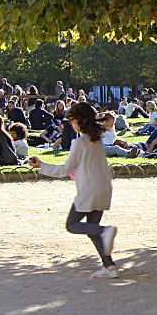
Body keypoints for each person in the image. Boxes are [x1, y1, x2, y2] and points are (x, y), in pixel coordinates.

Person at [29, 101, 119, 279]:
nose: (70, 123)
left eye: (72, 120)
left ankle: (105, 231)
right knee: (91, 229)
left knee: (72, 225)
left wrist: (41, 165)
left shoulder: (79, 142)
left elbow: (64, 169)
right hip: (103, 188)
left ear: (79, 121)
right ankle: (109, 266)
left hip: (89, 190)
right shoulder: (97, 139)